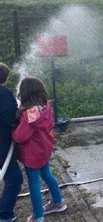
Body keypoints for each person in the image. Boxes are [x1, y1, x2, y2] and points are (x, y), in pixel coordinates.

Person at [12, 78, 67, 222]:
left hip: (32, 153)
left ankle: (38, 215)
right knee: (47, 174)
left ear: (25, 94)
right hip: (44, 149)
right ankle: (58, 202)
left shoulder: (30, 113)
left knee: (34, 183)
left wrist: (13, 131)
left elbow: (20, 137)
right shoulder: (45, 105)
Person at [0, 63, 23, 222]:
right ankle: (5, 215)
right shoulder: (4, 93)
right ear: (6, 78)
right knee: (14, 179)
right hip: (2, 145)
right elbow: (10, 118)